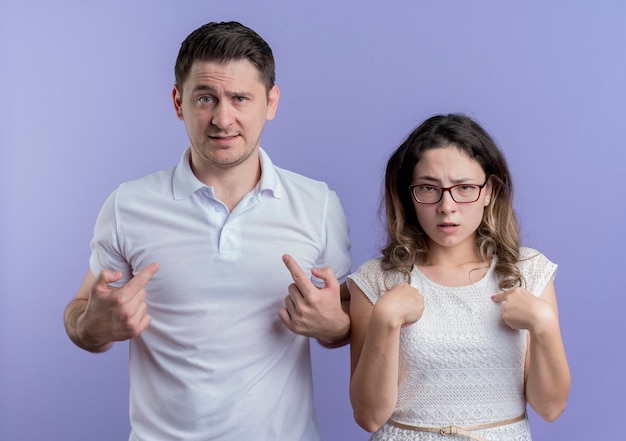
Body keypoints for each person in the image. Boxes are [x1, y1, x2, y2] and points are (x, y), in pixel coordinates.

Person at [63, 21, 352, 441]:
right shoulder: (129, 205)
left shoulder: (319, 204)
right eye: (206, 98)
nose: (223, 118)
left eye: (240, 98)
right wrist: (92, 326)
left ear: (271, 102)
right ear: (179, 101)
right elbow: (80, 310)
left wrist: (335, 326)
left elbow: (344, 321)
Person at [347, 114, 570, 440]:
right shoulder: (376, 280)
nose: (446, 206)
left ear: (489, 191)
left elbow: (550, 408)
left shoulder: (529, 272)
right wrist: (385, 319)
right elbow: (368, 417)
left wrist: (543, 322)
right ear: (410, 194)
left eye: (464, 188)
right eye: (428, 188)